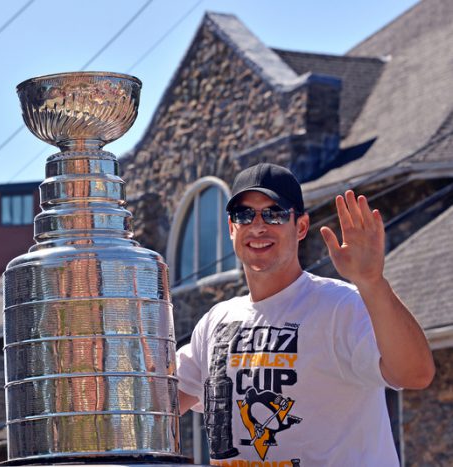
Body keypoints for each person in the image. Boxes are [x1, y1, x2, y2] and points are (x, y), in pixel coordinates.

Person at [175, 163, 435, 466]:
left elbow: (416, 373)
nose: (258, 226)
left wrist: (372, 282)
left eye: (274, 214)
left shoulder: (341, 305)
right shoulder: (216, 321)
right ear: (232, 228)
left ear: (300, 227)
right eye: (245, 215)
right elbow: (156, 406)